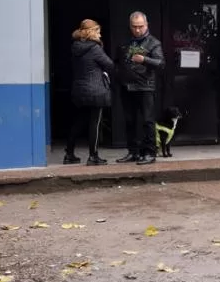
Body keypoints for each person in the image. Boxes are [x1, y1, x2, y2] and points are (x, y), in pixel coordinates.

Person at [115, 11, 165, 165]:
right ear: (130, 26)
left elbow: (161, 63)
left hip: (145, 87)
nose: (137, 30)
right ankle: (133, 152)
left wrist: (145, 59)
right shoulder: (126, 42)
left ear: (146, 25)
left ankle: (150, 152)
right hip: (127, 87)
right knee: (130, 121)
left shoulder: (153, 43)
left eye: (140, 26)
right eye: (134, 27)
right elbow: (117, 62)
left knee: (148, 120)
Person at [65, 19, 114, 166]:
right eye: (98, 31)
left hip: (79, 90)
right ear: (92, 32)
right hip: (95, 91)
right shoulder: (94, 48)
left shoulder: (75, 47)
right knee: (95, 123)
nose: (100, 34)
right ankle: (93, 156)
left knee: (79, 121)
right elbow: (109, 65)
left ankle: (69, 154)